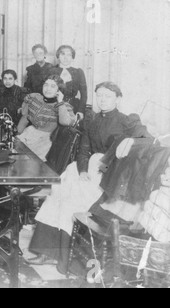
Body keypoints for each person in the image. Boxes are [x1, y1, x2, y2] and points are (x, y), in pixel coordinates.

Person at [27, 82, 155, 275]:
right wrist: (83, 170)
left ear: (118, 99)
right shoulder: (92, 120)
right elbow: (84, 150)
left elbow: (147, 138)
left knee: (70, 204)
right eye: (100, 95)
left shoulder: (127, 121)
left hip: (109, 178)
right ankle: (46, 252)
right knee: (56, 197)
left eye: (108, 96)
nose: (103, 100)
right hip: (89, 171)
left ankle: (64, 262)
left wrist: (132, 140)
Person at [17, 75, 76, 161]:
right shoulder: (34, 98)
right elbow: (25, 117)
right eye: (46, 85)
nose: (48, 89)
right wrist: (18, 134)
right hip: (29, 133)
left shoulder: (63, 106)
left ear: (59, 90)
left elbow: (65, 122)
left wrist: (60, 101)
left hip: (46, 141)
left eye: (53, 86)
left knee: (30, 162)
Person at [49, 45, 88, 119]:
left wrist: (81, 111)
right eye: (62, 54)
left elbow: (84, 95)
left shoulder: (78, 72)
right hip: (54, 107)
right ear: (58, 56)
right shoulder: (51, 71)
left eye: (69, 55)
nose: (65, 57)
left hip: (73, 108)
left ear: (72, 57)